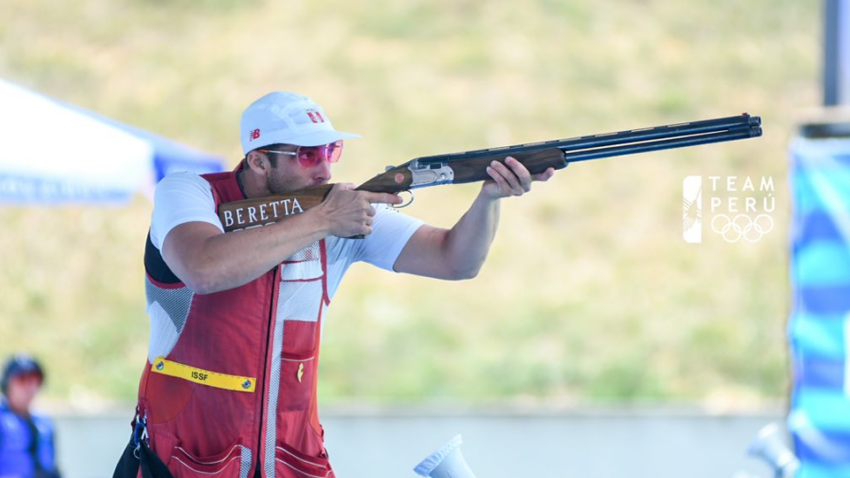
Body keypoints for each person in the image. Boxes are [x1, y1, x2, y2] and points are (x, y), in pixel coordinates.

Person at [113, 91, 556, 478]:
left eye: (331, 151)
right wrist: (323, 220)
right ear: (258, 160)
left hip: (291, 457)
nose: (324, 170)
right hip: (186, 457)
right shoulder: (190, 192)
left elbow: (455, 260)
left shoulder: (339, 213)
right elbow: (203, 269)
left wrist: (489, 198)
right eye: (307, 156)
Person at [0, 355, 60, 478]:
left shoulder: (44, 423)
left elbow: (51, 465)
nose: (28, 387)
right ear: (7, 384)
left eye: (33, 380)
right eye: (21, 380)